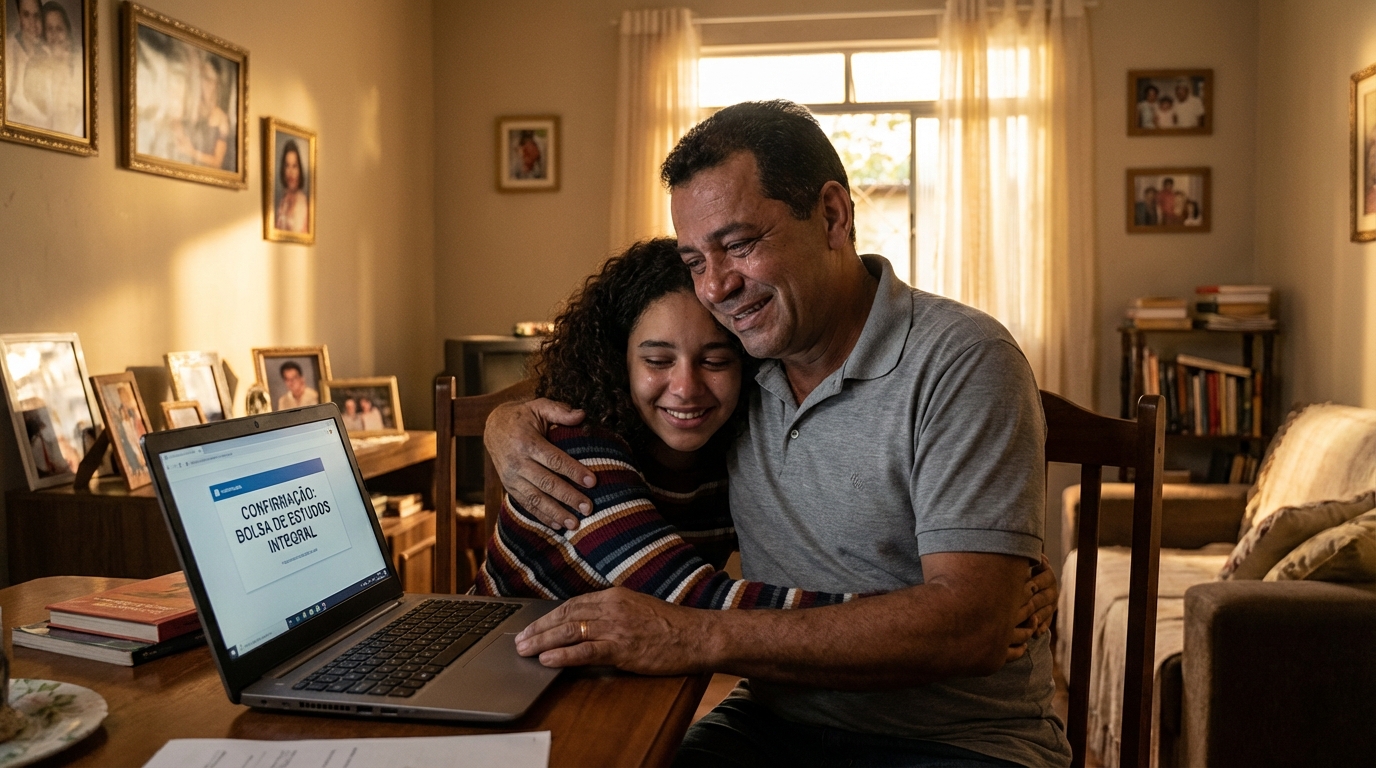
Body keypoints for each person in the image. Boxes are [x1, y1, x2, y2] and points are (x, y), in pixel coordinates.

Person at [488, 100, 1071, 766]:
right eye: (696, 259)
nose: (718, 287)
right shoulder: (736, 366)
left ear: (832, 215)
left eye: (739, 245)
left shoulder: (963, 361)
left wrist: (698, 636)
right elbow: (611, 386)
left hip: (957, 744)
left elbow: (972, 627)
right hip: (769, 724)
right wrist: (506, 425)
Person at [174, 55, 232, 169]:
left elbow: (217, 162)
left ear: (216, 84)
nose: (203, 84)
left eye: (208, 79)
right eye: (202, 77)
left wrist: (191, 152)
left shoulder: (222, 119)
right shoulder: (189, 109)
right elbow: (175, 126)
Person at [4, 0, 46, 127]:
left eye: (36, 15)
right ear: (19, 18)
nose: (32, 23)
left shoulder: (47, 54)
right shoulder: (8, 50)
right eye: (26, 15)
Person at [275, 139, 309, 233]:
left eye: (294, 166)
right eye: (287, 165)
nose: (290, 172)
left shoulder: (304, 202)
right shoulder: (282, 202)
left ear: (299, 170)